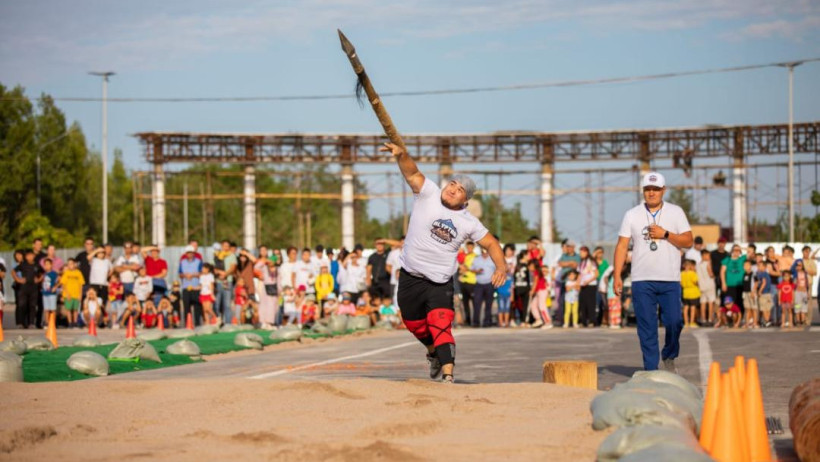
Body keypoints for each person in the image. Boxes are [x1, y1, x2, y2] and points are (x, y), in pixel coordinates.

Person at [381, 141, 506, 383]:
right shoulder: (427, 193)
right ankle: (433, 353)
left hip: (439, 283)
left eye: (459, 190)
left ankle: (448, 376)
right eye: (452, 184)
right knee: (414, 324)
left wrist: (501, 267)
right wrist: (401, 155)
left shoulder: (469, 222)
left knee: (440, 324)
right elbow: (413, 172)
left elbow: (491, 243)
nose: (452, 189)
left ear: (465, 200)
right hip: (410, 277)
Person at [613, 172, 693, 372]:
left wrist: (665, 234)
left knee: (675, 322)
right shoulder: (632, 214)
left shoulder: (676, 212)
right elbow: (622, 246)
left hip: (669, 279)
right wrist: (616, 276)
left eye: (656, 189)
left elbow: (688, 241)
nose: (651, 193)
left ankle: (669, 354)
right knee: (647, 328)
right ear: (643, 191)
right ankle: (651, 370)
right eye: (648, 189)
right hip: (642, 279)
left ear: (663, 190)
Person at [12, 250, 43, 329]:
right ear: (25, 257)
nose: (30, 257)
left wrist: (39, 279)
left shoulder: (37, 265)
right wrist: (18, 279)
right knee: (22, 305)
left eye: (31, 255)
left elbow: (43, 273)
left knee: (32, 306)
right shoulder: (23, 265)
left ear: (34, 256)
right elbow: (13, 271)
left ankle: (31, 323)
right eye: (28, 255)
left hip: (34, 288)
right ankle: (21, 323)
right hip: (24, 288)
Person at [470, 247, 496, 327]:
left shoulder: (493, 259)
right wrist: (477, 271)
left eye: (486, 251)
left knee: (489, 304)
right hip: (479, 284)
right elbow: (471, 269)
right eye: (483, 251)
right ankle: (476, 322)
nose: (484, 253)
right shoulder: (476, 259)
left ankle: (487, 321)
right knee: (477, 304)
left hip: (489, 284)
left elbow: (497, 270)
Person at [254, 246, 278, 329]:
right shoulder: (264, 267)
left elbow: (279, 280)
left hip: (274, 289)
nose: (271, 262)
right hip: (265, 288)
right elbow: (256, 267)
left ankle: (270, 322)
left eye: (272, 261)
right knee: (264, 305)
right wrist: (264, 262)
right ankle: (263, 322)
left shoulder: (277, 269)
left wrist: (280, 290)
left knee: (273, 306)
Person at [179, 245, 203, 325]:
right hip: (186, 287)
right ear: (186, 253)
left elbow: (202, 273)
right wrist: (185, 275)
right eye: (188, 253)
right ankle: (187, 324)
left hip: (195, 287)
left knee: (197, 306)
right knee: (186, 307)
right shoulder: (182, 262)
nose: (190, 254)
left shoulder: (199, 261)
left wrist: (193, 275)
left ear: (194, 253)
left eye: (191, 253)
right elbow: (180, 274)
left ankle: (197, 323)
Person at [720, 245, 746, 316]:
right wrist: (723, 283)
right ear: (732, 251)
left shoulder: (742, 259)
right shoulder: (727, 260)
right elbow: (722, 272)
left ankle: (739, 318)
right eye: (734, 250)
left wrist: (741, 248)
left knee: (739, 302)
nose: (736, 252)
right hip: (729, 285)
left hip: (740, 285)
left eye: (738, 250)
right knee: (729, 302)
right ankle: (729, 318)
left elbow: (751, 252)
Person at [577, 246, 599, 327]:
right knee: (583, 303)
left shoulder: (591, 261)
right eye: (580, 252)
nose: (581, 254)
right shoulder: (581, 262)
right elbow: (579, 274)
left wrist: (588, 281)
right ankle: (583, 321)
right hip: (583, 285)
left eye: (582, 252)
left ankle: (592, 321)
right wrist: (578, 284)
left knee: (591, 303)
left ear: (586, 252)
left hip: (591, 285)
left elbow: (596, 274)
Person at [59, 258, 84, 328]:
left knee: (75, 309)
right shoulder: (66, 273)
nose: (70, 265)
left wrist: (80, 294)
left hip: (76, 295)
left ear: (75, 264)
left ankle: (75, 322)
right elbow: (63, 284)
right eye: (69, 264)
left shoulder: (78, 273)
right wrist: (67, 294)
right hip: (68, 295)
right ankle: (70, 323)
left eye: (71, 264)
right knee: (69, 309)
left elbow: (81, 284)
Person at [457, 241, 477, 326]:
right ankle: (468, 320)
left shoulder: (476, 257)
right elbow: (460, 266)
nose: (469, 249)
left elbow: (474, 268)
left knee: (474, 302)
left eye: (470, 247)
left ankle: (475, 320)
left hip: (472, 282)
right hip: (463, 281)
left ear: (473, 247)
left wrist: (466, 268)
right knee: (465, 303)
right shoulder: (464, 256)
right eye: (468, 247)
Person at [696, 250, 717, 325]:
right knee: (711, 302)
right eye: (708, 255)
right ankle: (710, 318)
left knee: (703, 302)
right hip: (709, 284)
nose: (709, 257)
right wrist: (714, 276)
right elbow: (710, 273)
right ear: (703, 255)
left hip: (701, 286)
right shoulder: (708, 263)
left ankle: (703, 319)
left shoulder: (698, 265)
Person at [512, 251, 531, 326]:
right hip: (524, 287)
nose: (529, 256)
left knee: (519, 305)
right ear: (524, 255)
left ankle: (521, 320)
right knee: (525, 305)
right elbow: (529, 278)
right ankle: (524, 321)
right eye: (528, 255)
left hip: (517, 287)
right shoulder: (527, 266)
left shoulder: (516, 265)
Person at [680, 259, 700, 328]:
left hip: (685, 292)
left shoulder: (681, 273)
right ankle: (692, 322)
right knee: (693, 308)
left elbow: (681, 283)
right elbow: (695, 282)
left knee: (685, 308)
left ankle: (686, 323)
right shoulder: (692, 273)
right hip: (693, 292)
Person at [754, 259, 774, 327]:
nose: (758, 267)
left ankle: (766, 321)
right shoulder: (767, 274)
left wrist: (759, 291)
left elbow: (764, 282)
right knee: (768, 308)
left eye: (760, 266)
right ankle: (768, 321)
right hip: (768, 293)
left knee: (764, 308)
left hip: (763, 293)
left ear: (764, 267)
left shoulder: (762, 274)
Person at [41, 258, 59, 324]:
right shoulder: (44, 274)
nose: (47, 266)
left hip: (52, 294)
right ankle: (47, 322)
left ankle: (52, 322)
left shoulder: (53, 273)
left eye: (48, 264)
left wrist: (55, 287)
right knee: (46, 309)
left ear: (51, 265)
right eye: (45, 265)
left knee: (52, 309)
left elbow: (59, 281)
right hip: (45, 293)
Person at [792, 259, 810, 327]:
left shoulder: (805, 273)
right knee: (797, 306)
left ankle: (802, 320)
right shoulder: (795, 273)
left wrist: (807, 292)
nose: (799, 267)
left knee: (804, 306)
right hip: (797, 292)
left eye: (800, 265)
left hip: (804, 292)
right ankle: (798, 320)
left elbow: (807, 283)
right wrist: (796, 263)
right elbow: (792, 269)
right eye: (797, 265)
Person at [496, 263, 513, 328]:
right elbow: (496, 285)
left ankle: (506, 323)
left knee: (507, 309)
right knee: (501, 308)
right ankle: (501, 322)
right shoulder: (499, 275)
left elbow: (512, 287)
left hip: (508, 294)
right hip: (500, 294)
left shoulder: (510, 276)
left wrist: (512, 295)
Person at [741, 260, 757, 328]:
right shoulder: (744, 274)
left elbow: (756, 283)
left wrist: (753, 291)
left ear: (750, 266)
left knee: (754, 308)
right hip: (746, 292)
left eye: (747, 265)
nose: (746, 267)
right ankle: (747, 323)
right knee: (747, 308)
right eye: (744, 265)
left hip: (752, 292)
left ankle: (755, 323)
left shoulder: (753, 274)